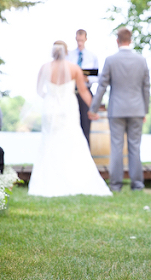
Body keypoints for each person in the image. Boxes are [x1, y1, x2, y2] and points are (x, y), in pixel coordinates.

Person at [30, 41, 111, 197]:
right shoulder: (74, 69)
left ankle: (47, 181)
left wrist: (51, 98)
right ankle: (74, 178)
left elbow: (39, 91)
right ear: (66, 52)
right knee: (72, 140)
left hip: (50, 108)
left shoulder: (45, 68)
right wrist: (94, 109)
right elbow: (84, 92)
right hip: (68, 108)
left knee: (49, 141)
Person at [88, 28, 150, 191]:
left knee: (116, 146)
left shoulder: (110, 60)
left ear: (117, 40)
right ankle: (137, 184)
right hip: (137, 109)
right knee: (135, 146)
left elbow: (102, 86)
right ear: (130, 40)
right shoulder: (141, 60)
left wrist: (93, 107)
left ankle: (116, 185)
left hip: (116, 110)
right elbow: (146, 87)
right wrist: (145, 110)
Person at [66, 29, 100, 145]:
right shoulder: (69, 55)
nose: (80, 42)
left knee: (86, 125)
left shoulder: (92, 56)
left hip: (85, 90)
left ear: (85, 39)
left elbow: (97, 77)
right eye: (78, 40)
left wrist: (87, 78)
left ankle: (86, 153)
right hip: (70, 92)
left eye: (82, 40)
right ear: (76, 39)